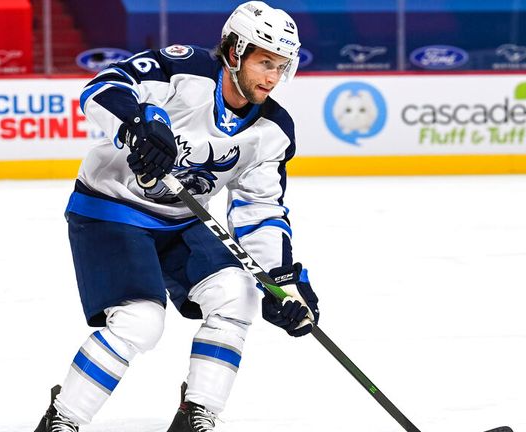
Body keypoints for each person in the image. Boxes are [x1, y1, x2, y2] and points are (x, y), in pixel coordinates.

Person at [35, 2, 320, 431]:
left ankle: (197, 413)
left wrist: (280, 279)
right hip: (112, 208)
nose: (271, 78)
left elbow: (259, 209)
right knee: (140, 321)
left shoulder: (272, 130)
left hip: (183, 219)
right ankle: (64, 418)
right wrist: (139, 122)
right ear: (234, 50)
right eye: (264, 62)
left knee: (237, 293)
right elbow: (104, 86)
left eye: (281, 67)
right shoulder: (185, 69)